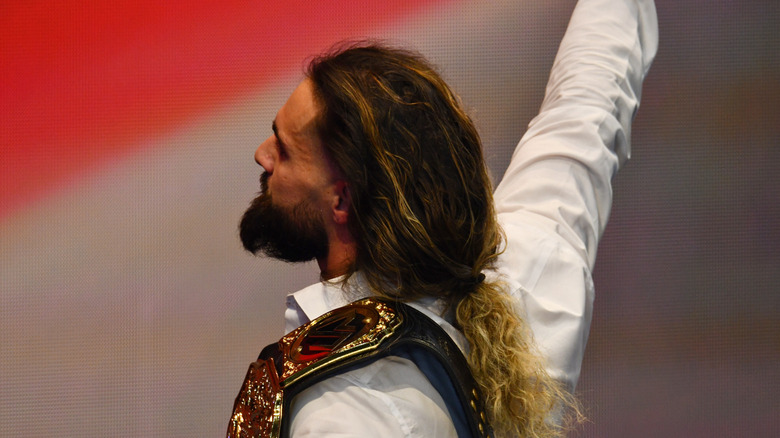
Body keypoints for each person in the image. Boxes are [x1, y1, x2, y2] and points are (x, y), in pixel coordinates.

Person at [231, 0, 658, 436]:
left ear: (342, 202)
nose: (261, 155)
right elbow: (587, 105)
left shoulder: (345, 413)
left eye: (284, 150)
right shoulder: (524, 274)